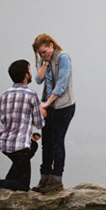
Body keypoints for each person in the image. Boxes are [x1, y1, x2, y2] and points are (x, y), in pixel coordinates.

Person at [0, 60, 46, 194]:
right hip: (20, 148)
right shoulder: (31, 95)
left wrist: (27, 133)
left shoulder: (4, 95)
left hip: (5, 144)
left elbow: (5, 120)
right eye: (29, 70)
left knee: (31, 147)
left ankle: (7, 181)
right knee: (23, 186)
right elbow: (39, 123)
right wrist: (42, 113)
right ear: (26, 75)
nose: (31, 73)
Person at [31, 33, 76, 193]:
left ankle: (56, 179)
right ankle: (45, 177)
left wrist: (46, 104)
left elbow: (61, 85)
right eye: (40, 53)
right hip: (48, 106)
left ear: (51, 45)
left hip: (63, 106)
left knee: (57, 141)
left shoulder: (63, 58)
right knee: (46, 143)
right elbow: (38, 79)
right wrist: (44, 63)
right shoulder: (45, 60)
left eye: (45, 51)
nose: (44, 54)